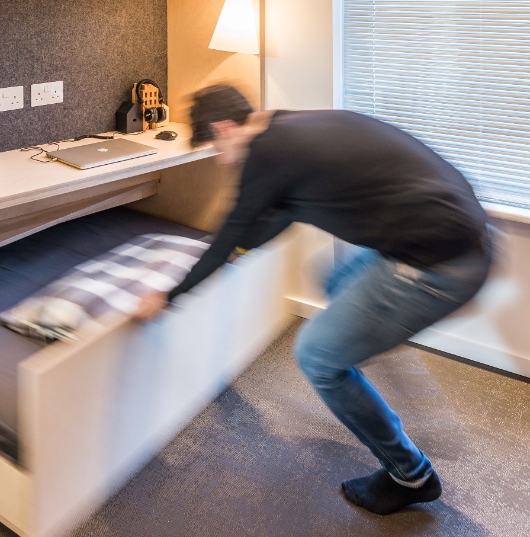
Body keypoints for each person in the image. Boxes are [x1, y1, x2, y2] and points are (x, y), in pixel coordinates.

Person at [134, 85, 494, 515]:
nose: (221, 158)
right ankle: (364, 347)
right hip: (460, 237)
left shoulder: (267, 154)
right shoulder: (289, 128)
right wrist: (240, 249)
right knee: (334, 277)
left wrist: (167, 296)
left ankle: (410, 475)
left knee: (317, 358)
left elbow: (230, 232)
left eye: (215, 147)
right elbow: (285, 211)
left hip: (438, 266)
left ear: (224, 128)